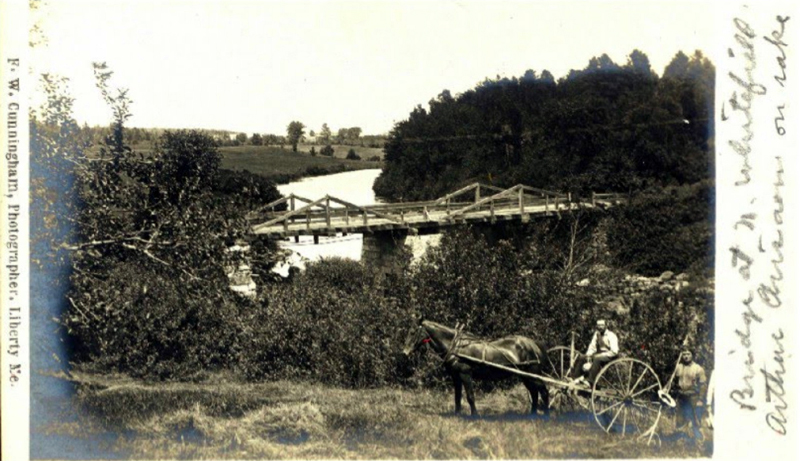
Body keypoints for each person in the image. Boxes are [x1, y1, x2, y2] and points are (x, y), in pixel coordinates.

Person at [571, 319, 619, 386]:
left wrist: (602, 355)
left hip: (611, 355)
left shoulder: (611, 335)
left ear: (606, 326)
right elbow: (592, 346)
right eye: (598, 325)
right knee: (583, 357)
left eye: (602, 325)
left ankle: (590, 381)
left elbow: (615, 351)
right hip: (600, 354)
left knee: (597, 358)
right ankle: (575, 378)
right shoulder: (597, 334)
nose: (600, 327)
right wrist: (588, 355)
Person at [674, 348, 707, 442]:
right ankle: (681, 439)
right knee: (680, 418)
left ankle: (699, 440)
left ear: (692, 355)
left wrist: (700, 399)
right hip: (681, 396)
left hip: (693, 397)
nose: (686, 356)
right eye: (684, 354)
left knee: (695, 419)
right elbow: (672, 381)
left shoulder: (698, 368)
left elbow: (703, 385)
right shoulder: (678, 367)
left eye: (688, 354)